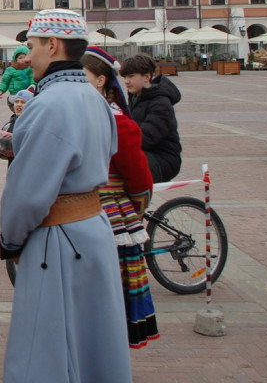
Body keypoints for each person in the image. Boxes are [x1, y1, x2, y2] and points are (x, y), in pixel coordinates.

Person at [0, 9, 132, 383]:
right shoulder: (96, 99)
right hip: (93, 232)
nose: (29, 55)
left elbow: (26, 195)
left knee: (47, 346)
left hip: (57, 243)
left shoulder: (48, 104)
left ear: (52, 44)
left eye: (32, 46)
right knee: (94, 340)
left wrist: (10, 240)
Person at [82, 46, 159, 348]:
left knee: (110, 291)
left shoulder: (119, 123)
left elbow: (140, 181)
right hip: (83, 213)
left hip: (112, 217)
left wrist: (133, 213)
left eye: (82, 76)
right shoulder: (78, 116)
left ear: (101, 80)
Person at [120, 52, 182, 183]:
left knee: (122, 167)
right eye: (125, 77)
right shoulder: (136, 97)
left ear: (147, 76)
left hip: (163, 160)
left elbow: (145, 137)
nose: (126, 81)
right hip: (147, 154)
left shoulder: (160, 103)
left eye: (131, 76)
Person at [0, 88, 33, 163]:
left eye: (23, 102)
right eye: (16, 102)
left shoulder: (35, 124)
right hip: (14, 166)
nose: (19, 105)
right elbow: (3, 155)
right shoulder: (9, 125)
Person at [0, 45, 34, 109]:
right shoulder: (10, 69)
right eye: (20, 58)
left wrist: (33, 85)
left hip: (27, 92)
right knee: (18, 107)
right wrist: (1, 90)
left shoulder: (29, 68)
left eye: (25, 58)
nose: (23, 60)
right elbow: (5, 81)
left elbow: (32, 78)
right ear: (15, 59)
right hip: (15, 93)